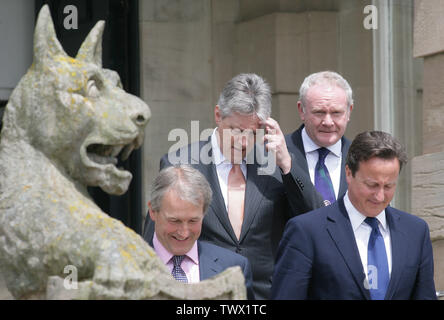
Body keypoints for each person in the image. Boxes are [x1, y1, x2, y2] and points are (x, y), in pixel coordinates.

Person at [143, 73, 322, 299]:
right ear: (218, 115)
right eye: (236, 130)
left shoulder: (277, 162)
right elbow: (155, 237)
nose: (244, 141)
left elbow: (315, 220)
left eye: (253, 132)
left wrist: (288, 165)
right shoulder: (180, 163)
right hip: (209, 293)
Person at [271, 131, 437, 300]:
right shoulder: (307, 231)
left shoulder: (415, 231)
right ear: (349, 173)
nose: (379, 196)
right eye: (372, 185)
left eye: (388, 186)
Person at [147, 165, 255, 299]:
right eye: (175, 221)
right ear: (152, 211)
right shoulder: (125, 266)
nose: (184, 233)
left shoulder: (234, 267)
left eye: (193, 221)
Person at [285, 71, 353, 206]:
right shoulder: (270, 154)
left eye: (336, 113)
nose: (328, 122)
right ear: (301, 110)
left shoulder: (362, 157)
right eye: (319, 112)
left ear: (349, 111)